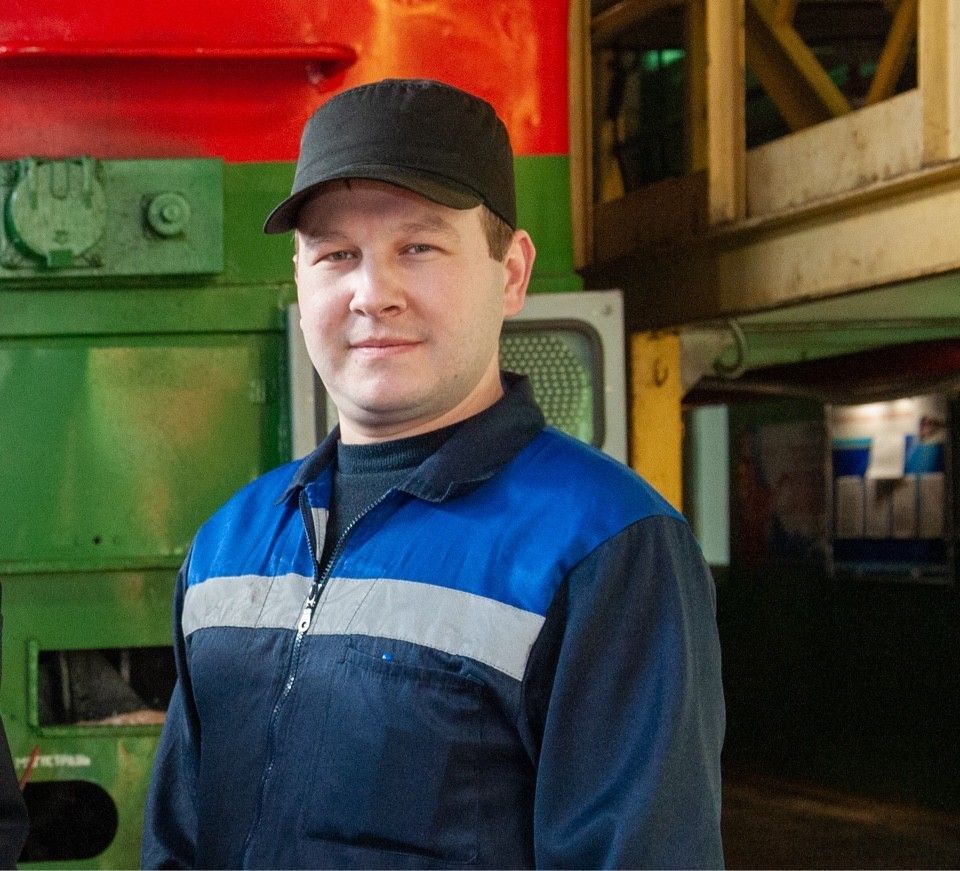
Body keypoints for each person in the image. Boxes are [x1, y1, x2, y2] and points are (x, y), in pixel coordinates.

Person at [142, 78, 724, 869]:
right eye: (336, 254)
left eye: (418, 247)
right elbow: (175, 846)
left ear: (511, 272)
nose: (372, 294)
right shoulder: (228, 547)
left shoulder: (604, 547)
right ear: (300, 276)